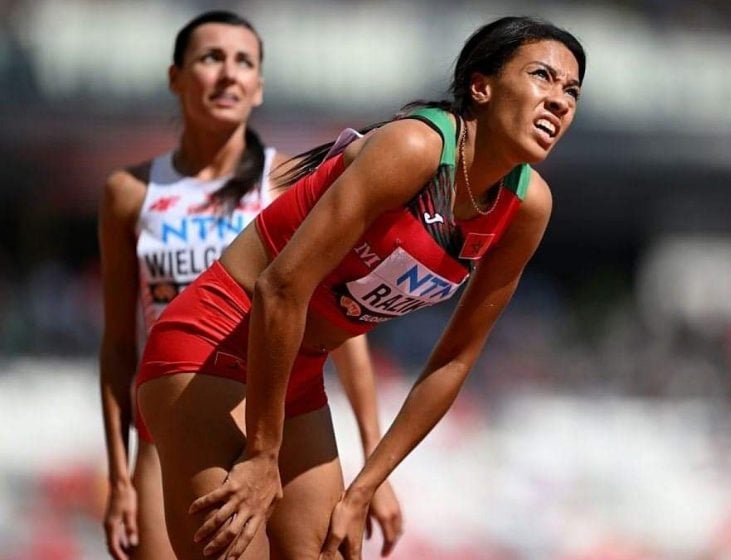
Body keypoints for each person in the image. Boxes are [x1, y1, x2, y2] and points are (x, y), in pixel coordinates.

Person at [136, 15, 586, 560]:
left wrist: (367, 485)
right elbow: (280, 288)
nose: (560, 100)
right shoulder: (413, 149)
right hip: (210, 345)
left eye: (572, 90)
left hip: (295, 371)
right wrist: (262, 453)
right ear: (481, 86)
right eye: (542, 76)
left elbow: (454, 361)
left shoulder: (527, 208)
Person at [98, 10, 402, 560]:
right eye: (211, 58)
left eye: (244, 63)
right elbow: (119, 344)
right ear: (176, 77)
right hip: (178, 406)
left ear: (259, 86)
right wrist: (118, 476)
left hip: (275, 408)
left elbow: (341, 327)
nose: (228, 74)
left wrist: (372, 464)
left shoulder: (289, 182)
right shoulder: (130, 193)